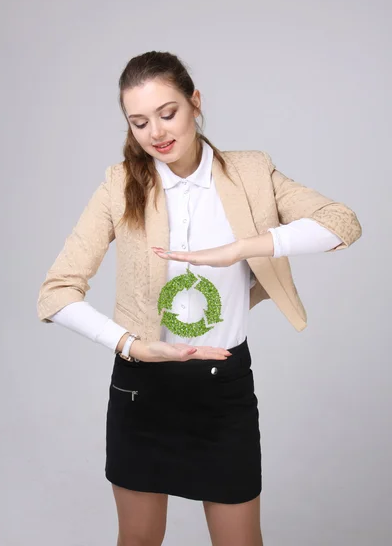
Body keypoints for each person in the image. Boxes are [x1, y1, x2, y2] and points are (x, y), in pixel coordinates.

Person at [37, 51, 362, 546]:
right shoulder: (119, 184)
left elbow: (342, 225)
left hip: (222, 387)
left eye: (168, 113)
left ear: (195, 102)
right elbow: (56, 294)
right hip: (142, 388)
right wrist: (132, 346)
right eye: (139, 121)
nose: (156, 133)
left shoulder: (252, 173)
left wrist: (240, 248)